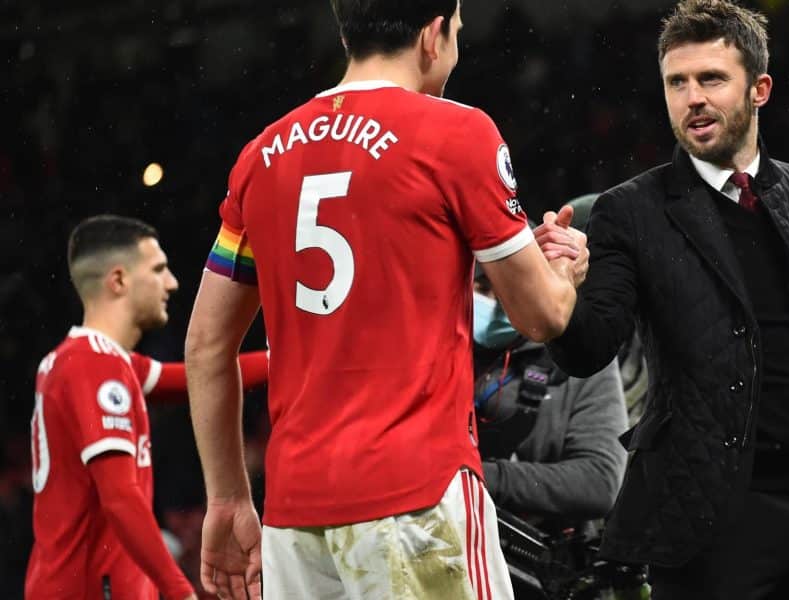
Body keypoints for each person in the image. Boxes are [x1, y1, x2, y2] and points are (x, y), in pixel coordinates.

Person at [183, 1, 587, 599]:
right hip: (416, 498)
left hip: (295, 516)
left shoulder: (261, 156)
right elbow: (542, 315)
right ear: (433, 35)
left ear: (349, 32)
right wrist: (564, 269)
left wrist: (226, 498)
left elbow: (205, 346)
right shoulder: (457, 132)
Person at [541, 0, 789, 598]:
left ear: (760, 89)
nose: (692, 97)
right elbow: (589, 350)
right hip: (706, 530)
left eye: (711, 79)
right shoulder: (630, 211)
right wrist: (563, 290)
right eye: (677, 82)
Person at [25, 215, 195, 600]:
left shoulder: (92, 360)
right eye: (159, 269)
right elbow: (119, 498)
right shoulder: (94, 365)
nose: (172, 282)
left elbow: (200, 377)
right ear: (118, 281)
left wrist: (285, 360)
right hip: (90, 589)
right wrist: (179, 588)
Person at [471, 266, 628, 598]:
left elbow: (600, 481)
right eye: (480, 288)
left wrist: (479, 478)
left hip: (540, 572)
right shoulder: (432, 351)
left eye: (504, 289)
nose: (493, 302)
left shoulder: (580, 361)